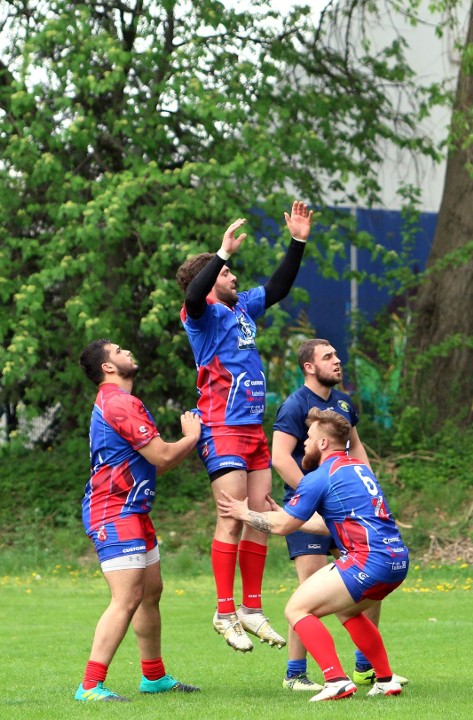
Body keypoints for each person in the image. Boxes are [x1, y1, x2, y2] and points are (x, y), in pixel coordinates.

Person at [176, 202, 312, 652]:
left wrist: (298, 241)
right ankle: (224, 610)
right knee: (230, 519)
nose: (235, 278)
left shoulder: (242, 309)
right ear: (214, 278)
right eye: (228, 274)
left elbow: (278, 286)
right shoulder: (202, 316)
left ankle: (251, 609)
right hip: (222, 427)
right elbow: (195, 296)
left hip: (252, 429)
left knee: (260, 518)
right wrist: (221, 253)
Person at [218, 408, 409, 702]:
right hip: (397, 561)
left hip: (370, 561)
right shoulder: (357, 469)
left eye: (307, 438)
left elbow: (282, 528)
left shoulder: (321, 476)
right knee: (348, 611)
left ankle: (335, 680)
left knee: (296, 609)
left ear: (322, 444)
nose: (304, 444)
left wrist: (246, 513)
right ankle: (384, 679)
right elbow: (327, 523)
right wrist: (287, 516)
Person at [272, 339, 407, 691]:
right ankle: (296, 673)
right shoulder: (295, 404)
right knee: (311, 591)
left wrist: (363, 488)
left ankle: (367, 670)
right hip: (311, 505)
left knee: (361, 592)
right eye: (328, 357)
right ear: (309, 367)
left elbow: (357, 449)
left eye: (336, 355)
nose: (337, 360)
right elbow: (280, 457)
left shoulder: (343, 403)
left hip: (346, 507)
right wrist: (316, 492)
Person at [76, 340, 202, 702]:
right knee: (127, 597)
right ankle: (89, 686)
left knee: (150, 593)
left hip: (133, 510)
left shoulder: (124, 402)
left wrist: (186, 443)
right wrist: (192, 437)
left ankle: (154, 677)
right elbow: (162, 455)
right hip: (113, 510)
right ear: (107, 367)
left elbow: (159, 460)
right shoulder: (118, 402)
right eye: (118, 350)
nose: (127, 351)